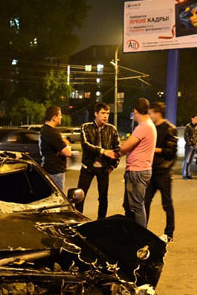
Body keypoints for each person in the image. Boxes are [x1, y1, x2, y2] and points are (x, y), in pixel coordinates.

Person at [103, 98, 156, 227]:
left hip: (137, 171)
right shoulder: (149, 125)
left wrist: (112, 153)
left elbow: (126, 147)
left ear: (135, 111)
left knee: (137, 206)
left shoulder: (143, 127)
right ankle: (131, 232)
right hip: (141, 170)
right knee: (129, 206)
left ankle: (141, 235)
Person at [76, 102, 121, 218]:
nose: (105, 116)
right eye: (103, 113)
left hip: (104, 169)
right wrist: (103, 151)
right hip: (88, 168)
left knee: (103, 198)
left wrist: (112, 166)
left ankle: (101, 221)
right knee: (80, 196)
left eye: (107, 113)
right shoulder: (86, 127)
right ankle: (78, 221)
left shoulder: (112, 129)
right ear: (96, 114)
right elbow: (85, 145)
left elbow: (117, 150)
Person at [144, 102, 178, 242]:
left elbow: (171, 151)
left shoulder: (170, 129)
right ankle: (142, 230)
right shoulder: (151, 127)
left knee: (167, 203)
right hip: (151, 170)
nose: (149, 116)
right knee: (145, 202)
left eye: (150, 113)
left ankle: (169, 233)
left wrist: (153, 149)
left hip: (163, 172)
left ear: (157, 113)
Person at [39, 106, 72, 190]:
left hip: (48, 168)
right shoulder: (52, 133)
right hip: (55, 172)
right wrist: (66, 144)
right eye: (59, 115)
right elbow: (68, 153)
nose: (61, 117)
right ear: (54, 118)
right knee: (57, 196)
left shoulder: (44, 129)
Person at [182, 114, 197, 179]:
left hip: (194, 145)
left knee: (190, 161)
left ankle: (188, 174)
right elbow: (186, 136)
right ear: (192, 119)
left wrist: (196, 143)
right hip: (189, 146)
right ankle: (184, 174)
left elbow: (196, 135)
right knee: (186, 160)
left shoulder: (196, 126)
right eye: (196, 118)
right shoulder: (188, 126)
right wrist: (190, 144)